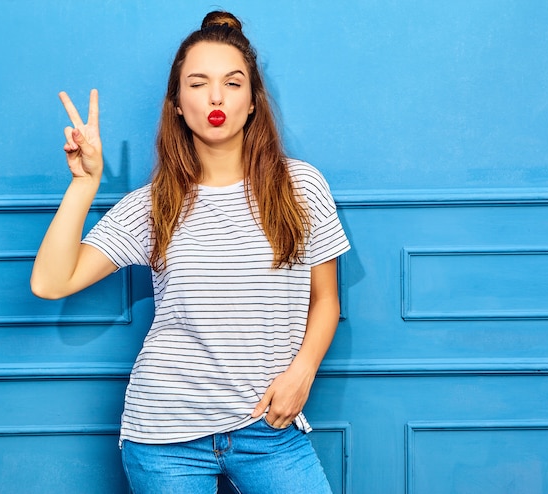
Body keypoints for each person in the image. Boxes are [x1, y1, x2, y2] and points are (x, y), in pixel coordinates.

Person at [30, 10, 350, 494]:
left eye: (232, 83)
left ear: (253, 102)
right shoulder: (156, 204)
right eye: (197, 84)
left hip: (269, 426)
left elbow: (324, 299)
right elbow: (51, 282)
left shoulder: (301, 187)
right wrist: (85, 183)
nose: (216, 97)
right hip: (163, 437)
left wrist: (301, 374)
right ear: (177, 104)